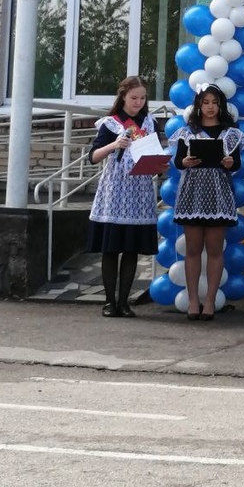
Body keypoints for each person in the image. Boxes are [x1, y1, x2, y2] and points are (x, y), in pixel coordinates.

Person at [87, 75, 164, 318]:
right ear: (123, 97)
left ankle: (124, 302)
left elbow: (155, 154)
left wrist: (160, 163)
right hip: (115, 192)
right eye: (133, 98)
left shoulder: (150, 122)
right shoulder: (111, 123)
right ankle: (109, 302)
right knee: (111, 250)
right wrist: (114, 145)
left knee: (131, 249)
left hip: (139, 192)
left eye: (142, 98)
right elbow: (93, 156)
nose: (138, 102)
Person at [170, 84, 244, 321]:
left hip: (218, 194)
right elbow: (178, 161)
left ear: (221, 105)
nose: (210, 107)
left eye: (215, 102)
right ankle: (193, 301)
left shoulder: (230, 133)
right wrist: (185, 162)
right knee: (192, 250)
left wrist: (230, 163)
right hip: (192, 194)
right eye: (205, 102)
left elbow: (237, 163)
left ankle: (210, 301)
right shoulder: (187, 132)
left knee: (215, 249)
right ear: (198, 105)